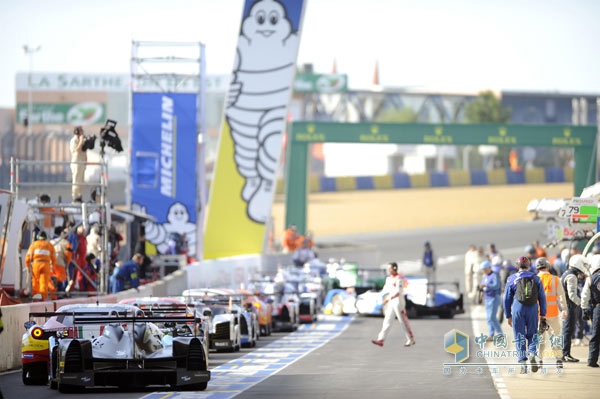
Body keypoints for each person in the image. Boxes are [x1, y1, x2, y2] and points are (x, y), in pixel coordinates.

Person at [504, 256, 547, 374]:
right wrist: (543, 314)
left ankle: (523, 365)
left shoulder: (511, 279)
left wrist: (508, 315)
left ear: (517, 266)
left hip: (518, 308)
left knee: (519, 336)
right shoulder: (536, 278)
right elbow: (542, 298)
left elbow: (507, 299)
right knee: (532, 334)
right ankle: (532, 352)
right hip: (533, 308)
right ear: (528, 266)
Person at [371, 262, 415, 347]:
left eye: (390, 268)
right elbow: (385, 290)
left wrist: (388, 298)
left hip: (398, 301)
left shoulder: (399, 278)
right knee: (387, 320)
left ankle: (410, 339)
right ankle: (381, 339)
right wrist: (381, 297)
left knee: (402, 320)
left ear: (394, 269)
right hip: (391, 301)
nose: (389, 270)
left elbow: (398, 291)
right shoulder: (389, 279)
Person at [535, 256, 568, 369]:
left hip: (539, 315)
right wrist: (564, 309)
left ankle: (539, 360)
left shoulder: (534, 280)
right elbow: (561, 296)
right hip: (553, 313)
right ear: (548, 266)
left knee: (540, 338)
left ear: (537, 268)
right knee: (555, 337)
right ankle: (558, 360)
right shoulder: (555, 279)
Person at [561, 253, 588, 363]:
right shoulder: (572, 276)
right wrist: (582, 304)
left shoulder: (568, 273)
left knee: (567, 330)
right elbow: (572, 295)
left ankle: (565, 353)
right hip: (569, 307)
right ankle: (565, 354)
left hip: (566, 306)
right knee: (568, 331)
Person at [24, 230, 57, 301]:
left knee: (35, 282)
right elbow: (54, 257)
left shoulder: (33, 245)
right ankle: (43, 298)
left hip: (36, 265)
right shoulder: (49, 245)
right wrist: (52, 266)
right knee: (44, 283)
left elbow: (28, 257)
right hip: (46, 265)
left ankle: (35, 298)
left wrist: (28, 267)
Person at [580, 254, 600, 367]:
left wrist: (585, 309)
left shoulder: (590, 279)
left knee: (595, 335)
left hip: (598, 308)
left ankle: (592, 361)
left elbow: (584, 296)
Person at [479, 260, 502, 341]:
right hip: (487, 298)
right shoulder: (484, 276)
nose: (483, 271)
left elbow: (496, 285)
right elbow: (483, 287)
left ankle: (500, 334)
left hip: (494, 298)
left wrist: (487, 285)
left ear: (489, 268)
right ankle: (491, 334)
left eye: (485, 269)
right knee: (488, 318)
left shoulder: (494, 275)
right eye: (482, 270)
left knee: (492, 317)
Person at [49, 226, 73, 298]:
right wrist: (67, 264)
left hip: (50, 265)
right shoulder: (66, 243)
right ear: (61, 233)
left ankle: (53, 297)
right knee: (60, 282)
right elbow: (68, 255)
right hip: (60, 264)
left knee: (52, 283)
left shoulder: (50, 242)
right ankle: (60, 297)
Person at [70, 125, 87, 202]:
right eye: (81, 131)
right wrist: (80, 141)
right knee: (76, 180)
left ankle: (79, 196)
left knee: (81, 181)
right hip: (76, 163)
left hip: (82, 163)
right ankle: (75, 196)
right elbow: (76, 149)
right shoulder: (74, 140)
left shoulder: (81, 140)